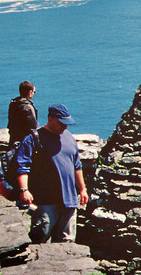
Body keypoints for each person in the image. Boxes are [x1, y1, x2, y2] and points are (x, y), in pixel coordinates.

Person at [15, 104, 89, 243]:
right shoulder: (33, 138)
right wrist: (24, 190)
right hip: (45, 199)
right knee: (41, 234)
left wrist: (82, 189)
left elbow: (77, 166)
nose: (64, 127)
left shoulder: (69, 137)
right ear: (50, 119)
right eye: (61, 123)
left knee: (67, 239)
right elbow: (22, 166)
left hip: (69, 198)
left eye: (67, 124)